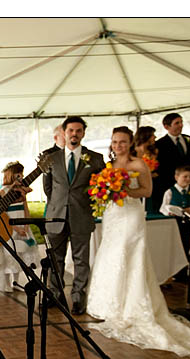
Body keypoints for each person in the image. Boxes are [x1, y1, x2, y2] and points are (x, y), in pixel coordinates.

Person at [86, 127, 190, 357]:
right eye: (114, 142)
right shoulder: (109, 166)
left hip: (131, 215)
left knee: (128, 254)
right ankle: (108, 304)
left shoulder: (138, 164)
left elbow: (147, 190)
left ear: (130, 143)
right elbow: (101, 191)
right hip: (113, 215)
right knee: (111, 254)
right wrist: (103, 191)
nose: (118, 146)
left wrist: (124, 191)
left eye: (122, 142)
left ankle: (132, 306)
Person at [42, 116, 105, 315]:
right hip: (56, 216)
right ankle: (54, 295)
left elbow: (100, 188)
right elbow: (48, 188)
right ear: (64, 133)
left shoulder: (95, 159)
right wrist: (58, 205)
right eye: (70, 131)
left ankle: (78, 297)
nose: (74, 134)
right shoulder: (50, 158)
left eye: (78, 131)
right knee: (55, 259)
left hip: (82, 216)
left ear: (83, 134)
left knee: (81, 260)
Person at [0, 162, 41, 295]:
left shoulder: (22, 191)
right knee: (10, 254)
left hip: (22, 225)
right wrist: (14, 228)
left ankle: (16, 281)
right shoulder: (4, 191)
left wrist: (26, 225)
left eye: (21, 173)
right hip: (11, 226)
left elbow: (26, 208)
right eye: (18, 173)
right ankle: (7, 282)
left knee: (24, 253)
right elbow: (3, 215)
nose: (21, 176)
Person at [159, 165, 190, 283]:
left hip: (187, 223)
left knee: (185, 247)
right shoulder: (170, 192)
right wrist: (170, 212)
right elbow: (163, 207)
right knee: (173, 247)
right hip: (174, 223)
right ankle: (171, 273)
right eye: (185, 177)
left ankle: (183, 273)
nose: (188, 179)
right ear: (176, 177)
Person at [151, 113, 190, 214]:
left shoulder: (189, 139)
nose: (181, 125)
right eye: (177, 123)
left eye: (181, 122)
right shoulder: (160, 144)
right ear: (166, 126)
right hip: (169, 185)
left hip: (188, 184)